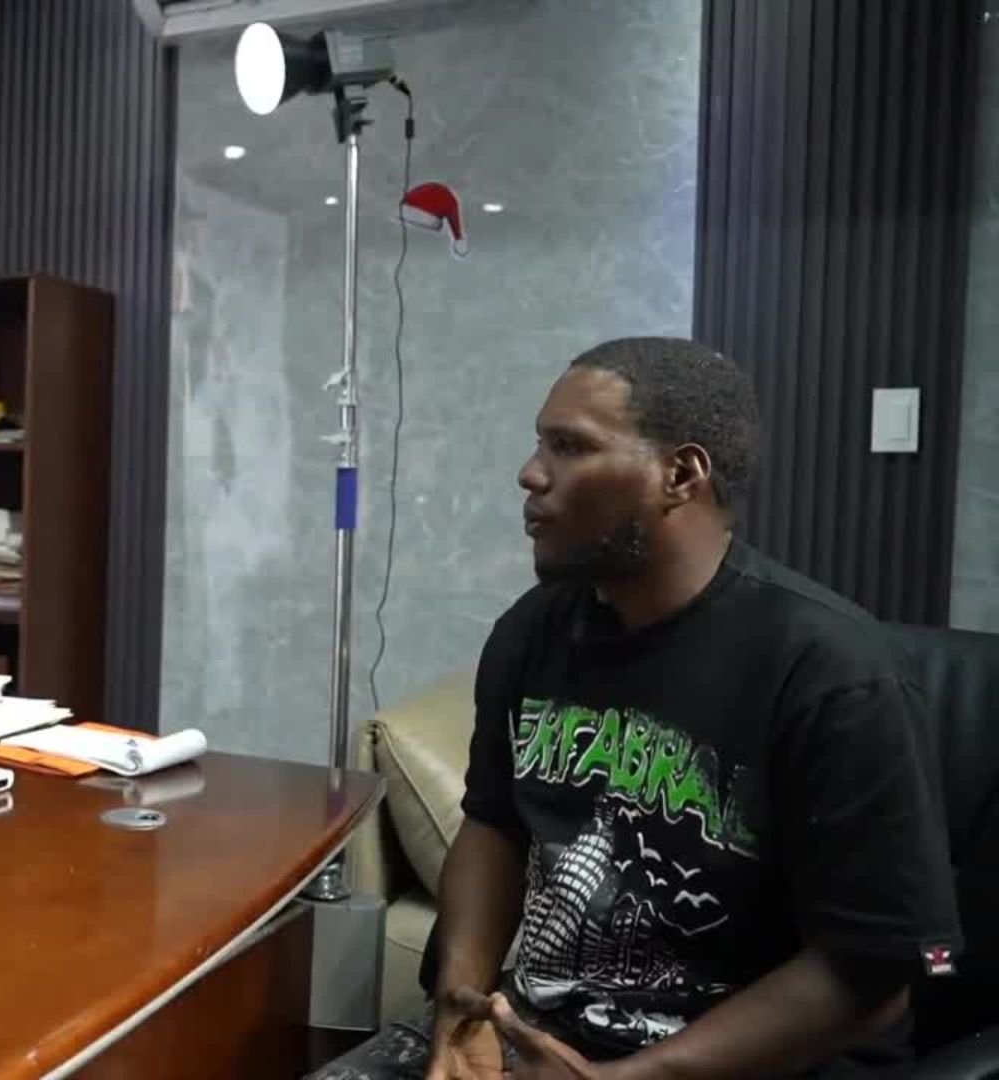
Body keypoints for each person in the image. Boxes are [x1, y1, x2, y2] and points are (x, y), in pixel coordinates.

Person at [311, 338, 960, 1079]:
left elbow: (870, 976)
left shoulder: (832, 673)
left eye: (570, 447)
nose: (530, 473)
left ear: (679, 475)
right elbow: (493, 827)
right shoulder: (534, 630)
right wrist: (463, 1004)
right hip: (548, 1036)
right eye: (541, 443)